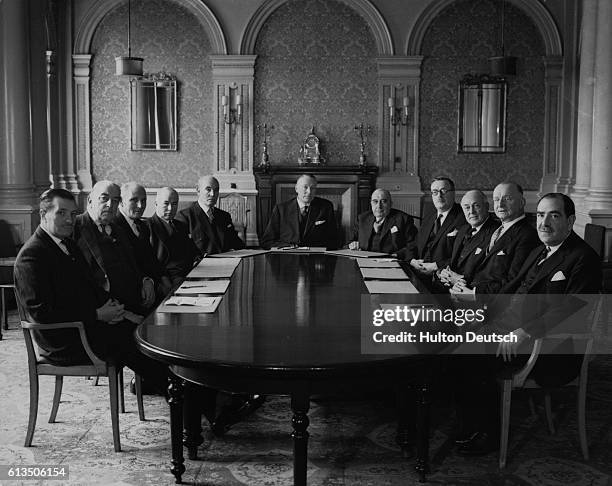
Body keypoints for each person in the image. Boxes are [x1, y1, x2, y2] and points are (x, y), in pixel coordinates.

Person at [454, 193, 601, 456]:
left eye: (554, 216)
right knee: (455, 343)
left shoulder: (583, 258)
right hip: (510, 329)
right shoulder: (539, 251)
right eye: (541, 215)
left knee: (470, 357)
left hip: (551, 348)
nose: (544, 223)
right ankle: (469, 425)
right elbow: (511, 290)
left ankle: (487, 434)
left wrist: (523, 332)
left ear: (570, 221)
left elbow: (571, 309)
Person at [13, 188, 167, 390]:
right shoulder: (31, 256)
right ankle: (179, 395)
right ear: (43, 214)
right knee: (133, 340)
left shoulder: (66, 243)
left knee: (144, 330)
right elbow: (41, 313)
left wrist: (122, 312)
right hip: (61, 340)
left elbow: (91, 288)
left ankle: (176, 390)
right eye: (61, 213)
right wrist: (96, 315)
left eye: (73, 214)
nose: (69, 220)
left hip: (83, 326)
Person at [73, 180, 156, 316]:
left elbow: (133, 265)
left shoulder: (118, 230)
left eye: (115, 200)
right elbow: (76, 282)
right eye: (104, 198)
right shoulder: (74, 228)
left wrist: (145, 280)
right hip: (102, 311)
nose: (110, 205)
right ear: (90, 200)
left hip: (132, 304)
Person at [451, 182, 539, 296]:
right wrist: (463, 283)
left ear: (522, 202)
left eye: (507, 199)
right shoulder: (498, 230)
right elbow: (483, 269)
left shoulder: (528, 235)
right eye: (496, 200)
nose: (500, 205)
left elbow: (513, 281)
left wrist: (474, 294)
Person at [115, 182, 171, 297]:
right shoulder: (114, 226)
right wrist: (145, 280)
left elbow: (151, 259)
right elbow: (123, 267)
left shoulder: (143, 226)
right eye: (134, 200)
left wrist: (163, 277)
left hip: (151, 286)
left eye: (143, 200)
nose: (140, 206)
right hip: (129, 291)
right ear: (121, 201)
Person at [437, 190, 499, 289]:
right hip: (449, 289)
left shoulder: (497, 233)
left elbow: (490, 274)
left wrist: (460, 279)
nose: (471, 211)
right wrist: (442, 273)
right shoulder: (463, 229)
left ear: (487, 207)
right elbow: (452, 261)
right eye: (466, 207)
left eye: (476, 206)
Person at [261, 174, 339, 249]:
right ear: (296, 189)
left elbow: (334, 240)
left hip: (316, 257)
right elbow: (267, 242)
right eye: (305, 187)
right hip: (288, 257)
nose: (309, 191)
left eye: (313, 188)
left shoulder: (326, 207)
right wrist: (289, 247)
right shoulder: (281, 209)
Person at [407, 177, 466, 275]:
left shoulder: (463, 217)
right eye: (435, 192)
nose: (439, 196)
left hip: (441, 276)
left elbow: (463, 255)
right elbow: (414, 244)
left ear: (453, 193)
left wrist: (436, 266)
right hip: (418, 272)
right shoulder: (429, 217)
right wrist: (412, 261)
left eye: (443, 191)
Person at [175, 175, 245, 256]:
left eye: (216, 190)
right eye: (208, 189)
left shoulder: (224, 216)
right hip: (200, 267)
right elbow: (182, 252)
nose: (212, 194)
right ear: (198, 190)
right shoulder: (184, 217)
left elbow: (237, 244)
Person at [148, 187, 198, 286]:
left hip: (188, 276)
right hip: (164, 280)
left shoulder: (181, 225)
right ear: (156, 204)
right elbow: (149, 262)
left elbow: (192, 251)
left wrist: (197, 259)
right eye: (166, 204)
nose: (170, 209)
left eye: (174, 204)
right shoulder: (147, 227)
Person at [347, 188, 417, 257]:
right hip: (364, 260)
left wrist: (396, 255)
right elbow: (348, 243)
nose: (379, 206)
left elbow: (413, 245)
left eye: (383, 201)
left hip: (391, 261)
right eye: (375, 201)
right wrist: (352, 245)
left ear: (390, 204)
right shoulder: (362, 218)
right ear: (371, 203)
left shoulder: (403, 219)